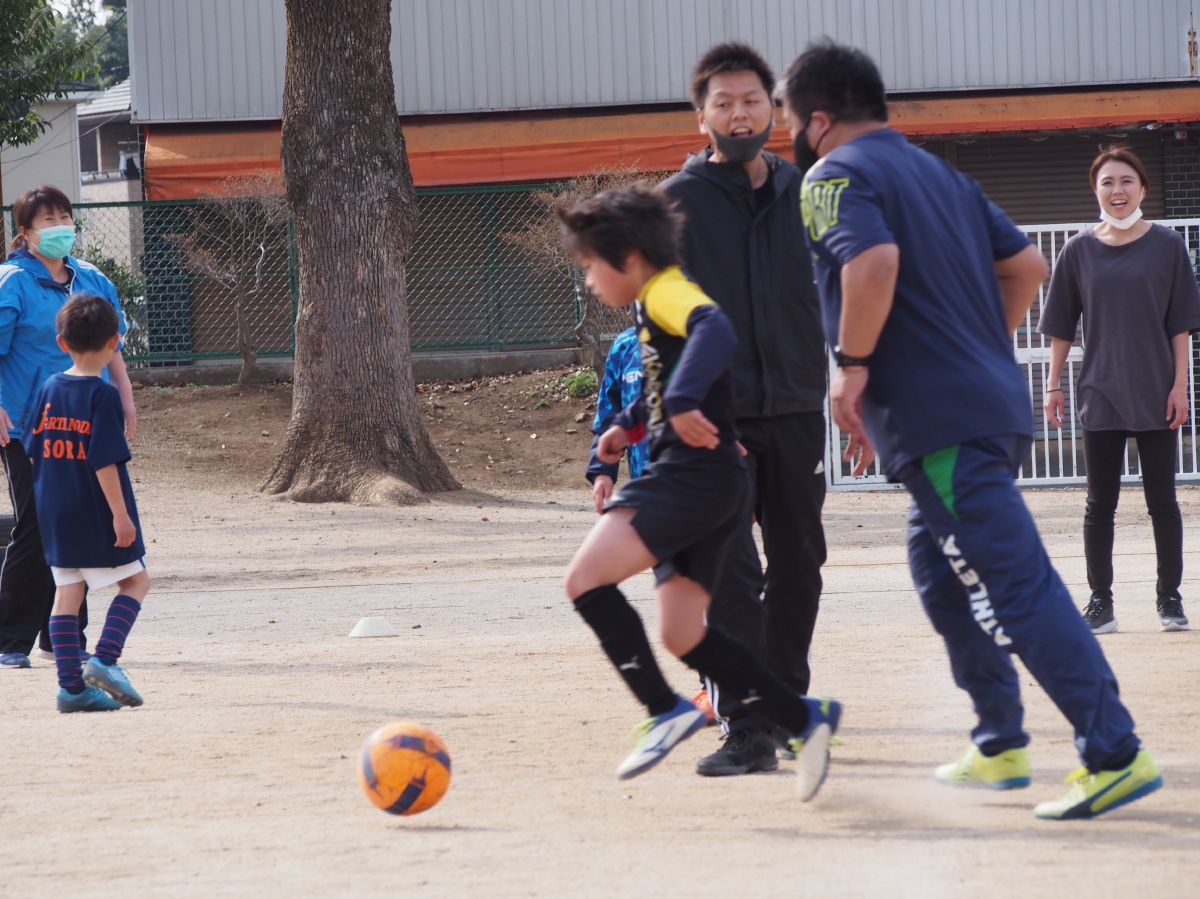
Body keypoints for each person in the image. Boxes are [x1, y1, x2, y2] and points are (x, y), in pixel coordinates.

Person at [780, 39, 1161, 819]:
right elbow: (1026, 266)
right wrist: (977, 353)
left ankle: (1114, 750)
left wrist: (852, 369)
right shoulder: (941, 174)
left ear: (815, 120)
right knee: (937, 569)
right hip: (984, 406)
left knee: (1013, 584)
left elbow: (872, 263)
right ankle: (1000, 740)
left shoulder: (830, 175)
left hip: (938, 421)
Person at [557, 184, 840, 797]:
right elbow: (669, 379)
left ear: (629, 256)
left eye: (591, 265)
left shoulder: (667, 289)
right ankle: (802, 720)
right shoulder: (651, 302)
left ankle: (665, 711)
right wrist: (629, 425)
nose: (588, 280)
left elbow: (714, 327)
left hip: (690, 477)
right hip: (713, 482)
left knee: (584, 580)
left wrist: (683, 402)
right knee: (683, 634)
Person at [661, 42, 829, 776]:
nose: (739, 114)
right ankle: (748, 726)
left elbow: (844, 294)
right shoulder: (675, 204)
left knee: (801, 562)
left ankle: (787, 703)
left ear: (773, 110)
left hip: (795, 405)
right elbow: (657, 323)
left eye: (751, 101)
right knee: (731, 570)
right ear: (701, 118)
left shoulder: (809, 192)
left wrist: (860, 388)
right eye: (723, 103)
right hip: (715, 417)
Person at [1039, 145, 1200, 635]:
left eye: (1126, 180)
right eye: (1107, 182)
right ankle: (1100, 602)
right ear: (1095, 191)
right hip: (1100, 391)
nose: (1117, 190)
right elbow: (1061, 326)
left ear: (1143, 189)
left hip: (1157, 391)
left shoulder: (1168, 246)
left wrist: (1180, 385)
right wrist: (1052, 385)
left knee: (1163, 502)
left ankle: (1169, 599)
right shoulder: (1077, 250)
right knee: (1099, 505)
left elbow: (1180, 326)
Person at [0, 185, 137, 670]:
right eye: (47, 219)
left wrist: (125, 396)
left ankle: (62, 637)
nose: (59, 226)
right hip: (27, 428)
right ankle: (10, 638)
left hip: (86, 424)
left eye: (64, 216)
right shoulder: (12, 282)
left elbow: (112, 344)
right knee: (37, 524)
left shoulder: (92, 278)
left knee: (74, 527)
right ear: (25, 232)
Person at [22, 294, 150, 712]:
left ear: (62, 343)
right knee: (136, 582)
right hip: (95, 511)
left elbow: (33, 451)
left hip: (54, 511)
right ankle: (105, 661)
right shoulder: (103, 395)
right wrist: (120, 516)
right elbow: (104, 461)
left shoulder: (47, 388)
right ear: (115, 341)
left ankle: (71, 690)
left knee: (67, 592)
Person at [585, 323, 649, 514]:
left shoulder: (700, 336)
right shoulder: (626, 343)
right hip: (645, 488)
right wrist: (602, 471)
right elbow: (609, 416)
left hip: (699, 487)